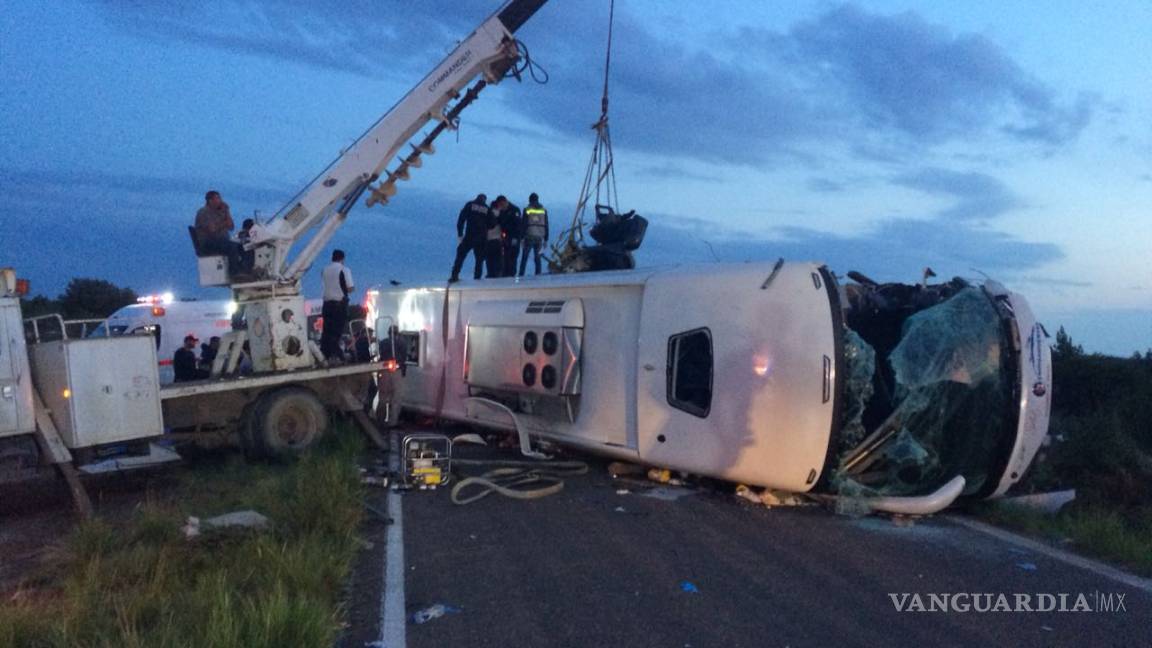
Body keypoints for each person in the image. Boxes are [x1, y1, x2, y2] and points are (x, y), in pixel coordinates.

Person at [194, 190, 245, 276]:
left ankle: (244, 270)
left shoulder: (219, 213)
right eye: (218, 198)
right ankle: (234, 273)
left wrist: (227, 211)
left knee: (243, 247)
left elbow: (231, 227)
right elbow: (212, 229)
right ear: (210, 201)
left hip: (221, 241)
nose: (221, 200)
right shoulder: (203, 212)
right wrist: (224, 223)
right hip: (209, 243)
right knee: (232, 247)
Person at [320, 249, 354, 361]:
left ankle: (325, 355)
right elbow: (350, 288)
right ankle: (339, 355)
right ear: (342, 259)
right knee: (336, 333)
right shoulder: (344, 270)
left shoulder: (325, 270)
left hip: (326, 305)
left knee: (326, 332)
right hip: (338, 305)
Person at [449, 194, 492, 282]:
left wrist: (460, 234)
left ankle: (454, 275)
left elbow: (461, 219)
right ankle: (477, 278)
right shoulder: (487, 209)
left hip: (470, 235)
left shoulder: (469, 205)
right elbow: (493, 223)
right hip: (481, 237)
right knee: (479, 259)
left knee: (461, 255)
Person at [519, 193, 549, 276]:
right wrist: (546, 239)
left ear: (529, 200)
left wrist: (521, 237)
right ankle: (538, 274)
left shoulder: (527, 209)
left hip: (529, 235)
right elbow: (546, 224)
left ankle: (521, 274)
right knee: (538, 257)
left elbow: (524, 224)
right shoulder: (543, 210)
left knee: (524, 257)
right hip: (540, 236)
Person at [484, 196, 509, 278]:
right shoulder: (500, 213)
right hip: (497, 239)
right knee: (498, 259)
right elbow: (504, 226)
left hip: (488, 239)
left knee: (489, 259)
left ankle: (490, 274)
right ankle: (497, 275)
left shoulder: (488, 212)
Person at [499, 199, 522, 277]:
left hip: (514, 236)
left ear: (505, 202)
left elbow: (518, 225)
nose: (501, 207)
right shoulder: (503, 211)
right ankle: (506, 272)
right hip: (507, 237)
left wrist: (517, 237)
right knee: (506, 255)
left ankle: (512, 273)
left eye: (502, 205)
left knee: (513, 255)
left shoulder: (515, 210)